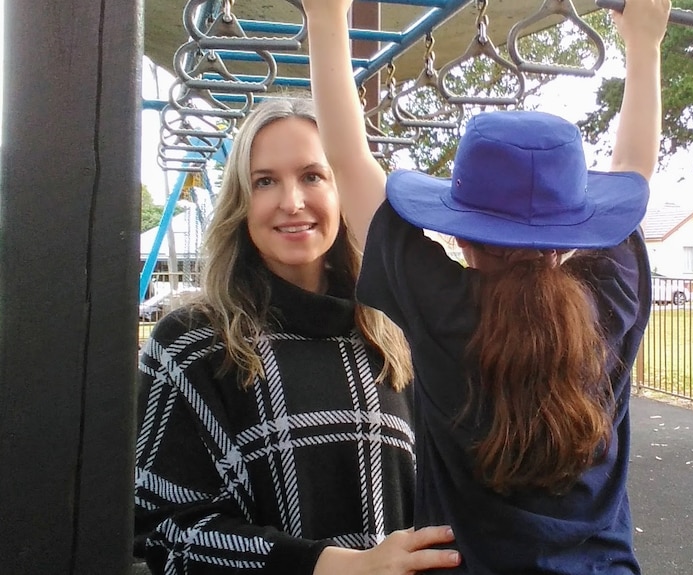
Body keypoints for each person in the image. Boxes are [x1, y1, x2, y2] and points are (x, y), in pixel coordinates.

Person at [303, 0, 671, 572]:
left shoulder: (444, 308)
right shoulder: (610, 300)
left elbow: (349, 162)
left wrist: (327, 18)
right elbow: (633, 176)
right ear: (570, 232)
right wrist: (644, 45)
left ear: (463, 237)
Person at [133, 97, 462, 575]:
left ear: (341, 189)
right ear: (241, 202)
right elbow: (162, 531)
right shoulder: (192, 342)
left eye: (312, 175)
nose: (291, 202)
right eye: (265, 181)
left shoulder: (393, 334)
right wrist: (334, 566)